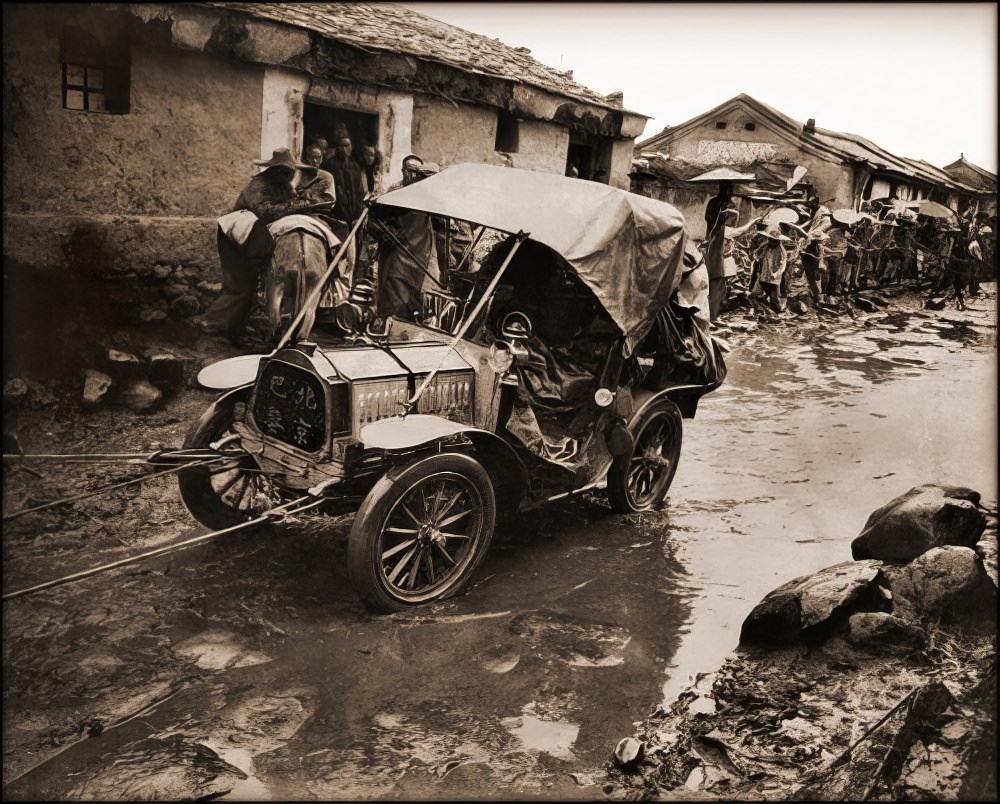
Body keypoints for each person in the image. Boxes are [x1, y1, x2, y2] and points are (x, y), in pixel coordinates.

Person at [201, 147, 318, 344]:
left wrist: (302, 204)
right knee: (239, 286)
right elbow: (266, 211)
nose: (287, 174)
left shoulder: (284, 187)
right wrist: (299, 206)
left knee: (249, 285)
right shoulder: (259, 185)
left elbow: (290, 205)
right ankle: (211, 324)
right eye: (282, 170)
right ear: (273, 170)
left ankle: (234, 330)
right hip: (235, 233)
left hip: (253, 237)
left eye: (289, 171)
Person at [372, 155, 442, 321]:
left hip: (418, 256)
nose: (412, 175)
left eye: (416, 172)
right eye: (408, 171)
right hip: (396, 255)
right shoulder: (395, 193)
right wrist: (388, 235)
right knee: (393, 297)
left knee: (415, 302)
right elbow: (375, 219)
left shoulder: (427, 197)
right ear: (403, 171)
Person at [704, 182, 738, 321]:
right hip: (715, 238)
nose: (730, 192)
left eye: (731, 189)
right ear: (723, 189)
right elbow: (708, 218)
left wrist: (728, 216)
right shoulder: (713, 202)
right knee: (714, 275)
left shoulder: (731, 204)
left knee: (723, 278)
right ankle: (711, 314)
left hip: (725, 239)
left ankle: (717, 309)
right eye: (728, 189)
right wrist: (719, 218)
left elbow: (734, 223)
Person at [322, 135, 366, 225]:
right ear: (338, 148)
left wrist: (358, 212)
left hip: (354, 214)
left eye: (347, 145)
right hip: (337, 215)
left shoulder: (355, 167)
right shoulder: (330, 165)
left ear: (351, 147)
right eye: (342, 146)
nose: (344, 149)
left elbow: (360, 191)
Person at [750, 225, 791, 312]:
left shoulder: (782, 252)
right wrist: (758, 251)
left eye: (773, 241)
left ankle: (774, 307)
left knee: (775, 305)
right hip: (763, 277)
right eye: (770, 240)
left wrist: (776, 274)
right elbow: (760, 258)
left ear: (777, 241)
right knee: (752, 296)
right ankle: (761, 308)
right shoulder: (766, 247)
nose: (771, 242)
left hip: (773, 280)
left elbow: (782, 266)